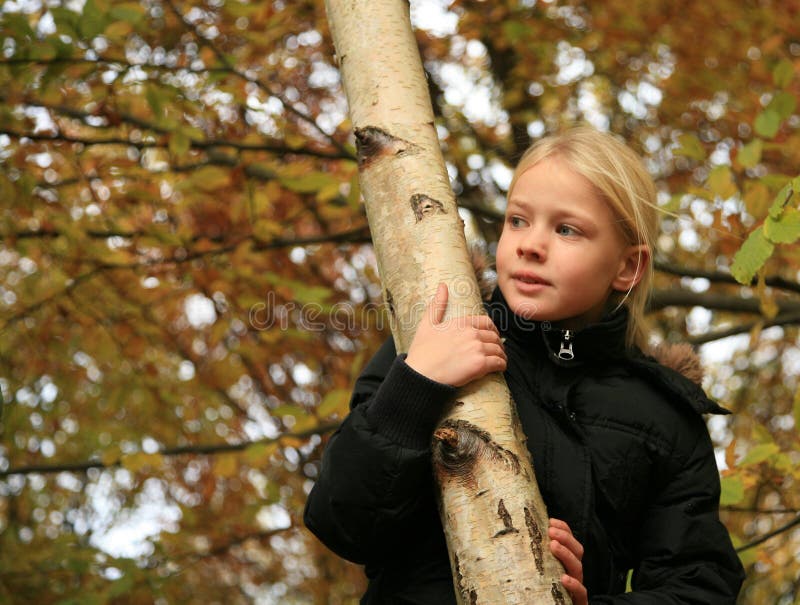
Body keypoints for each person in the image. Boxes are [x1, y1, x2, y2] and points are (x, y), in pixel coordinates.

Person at [304, 127, 745, 603]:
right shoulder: (443, 337)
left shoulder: (664, 416)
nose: (530, 244)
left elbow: (700, 586)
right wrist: (414, 386)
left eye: (566, 229)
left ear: (627, 268)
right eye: (518, 220)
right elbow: (340, 520)